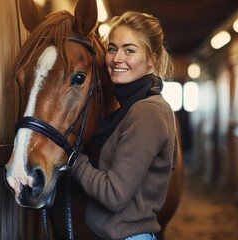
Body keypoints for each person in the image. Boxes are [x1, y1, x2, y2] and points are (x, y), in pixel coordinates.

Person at [71, 11, 176, 240]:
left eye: (129, 50)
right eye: (112, 48)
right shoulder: (130, 108)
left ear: (152, 60)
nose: (117, 58)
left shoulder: (148, 111)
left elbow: (114, 194)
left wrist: (73, 161)